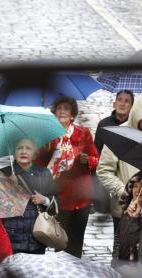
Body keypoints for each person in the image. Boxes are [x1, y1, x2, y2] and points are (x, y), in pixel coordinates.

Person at [96, 95, 142, 251]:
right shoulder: (119, 134)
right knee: (122, 251)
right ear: (137, 115)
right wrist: (124, 192)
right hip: (124, 209)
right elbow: (104, 170)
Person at [37, 96, 99, 258]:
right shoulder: (48, 136)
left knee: (77, 243)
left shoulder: (83, 134)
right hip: (60, 199)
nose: (62, 111)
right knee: (61, 243)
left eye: (66, 109)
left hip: (82, 198)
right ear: (55, 113)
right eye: (59, 109)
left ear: (72, 115)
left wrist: (88, 160)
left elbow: (96, 159)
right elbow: (38, 164)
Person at [2, 138, 56, 255]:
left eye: (28, 148)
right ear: (13, 152)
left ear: (35, 154)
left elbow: (56, 205)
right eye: (19, 148)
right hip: (11, 237)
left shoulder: (44, 173)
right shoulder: (4, 173)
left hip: (37, 236)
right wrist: (9, 187)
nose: (23, 151)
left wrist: (45, 200)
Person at [112, 173, 142, 264]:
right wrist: (115, 262)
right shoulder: (126, 211)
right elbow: (118, 240)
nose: (138, 190)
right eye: (135, 186)